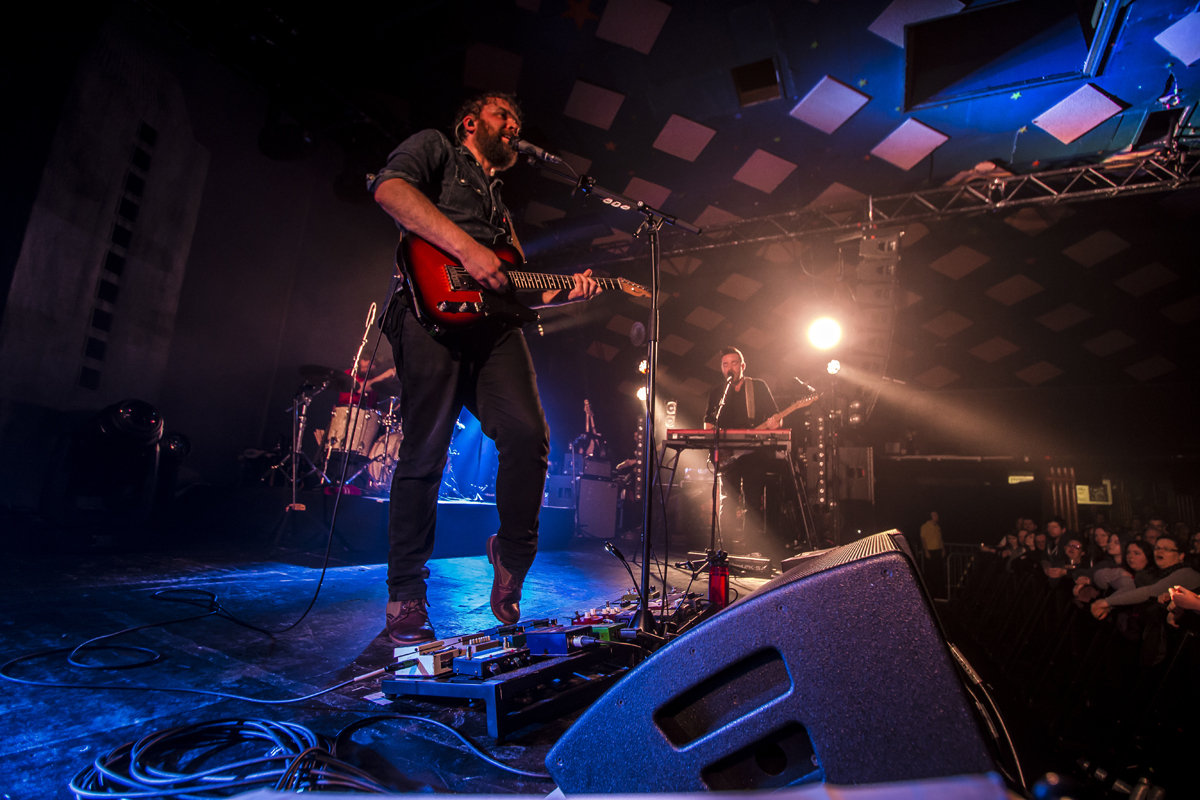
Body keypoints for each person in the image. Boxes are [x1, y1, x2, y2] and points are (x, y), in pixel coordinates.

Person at [368, 92, 600, 644]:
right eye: (503, 115)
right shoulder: (437, 149)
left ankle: (512, 551)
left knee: (528, 435)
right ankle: (404, 596)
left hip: (493, 327)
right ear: (471, 122)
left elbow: (515, 289)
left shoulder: (501, 208)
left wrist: (569, 292)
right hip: (430, 312)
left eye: (518, 119)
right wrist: (468, 250)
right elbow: (388, 189)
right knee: (423, 452)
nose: (514, 125)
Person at [702, 347, 782, 557]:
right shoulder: (717, 392)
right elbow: (709, 423)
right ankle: (723, 549)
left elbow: (776, 418)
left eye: (734, 363)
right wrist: (714, 442)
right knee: (728, 500)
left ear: (742, 366)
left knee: (754, 501)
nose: (730, 368)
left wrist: (775, 421)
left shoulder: (758, 386)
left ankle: (753, 550)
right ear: (722, 368)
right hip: (728, 454)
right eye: (725, 364)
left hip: (754, 452)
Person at [920, 511, 945, 599]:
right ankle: (931, 593)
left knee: (939, 572)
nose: (937, 516)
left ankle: (940, 592)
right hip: (931, 551)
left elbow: (940, 539)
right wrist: (926, 551)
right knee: (932, 572)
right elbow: (923, 540)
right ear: (930, 516)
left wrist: (943, 549)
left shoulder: (937, 527)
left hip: (938, 551)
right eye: (935, 515)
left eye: (937, 515)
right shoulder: (925, 526)